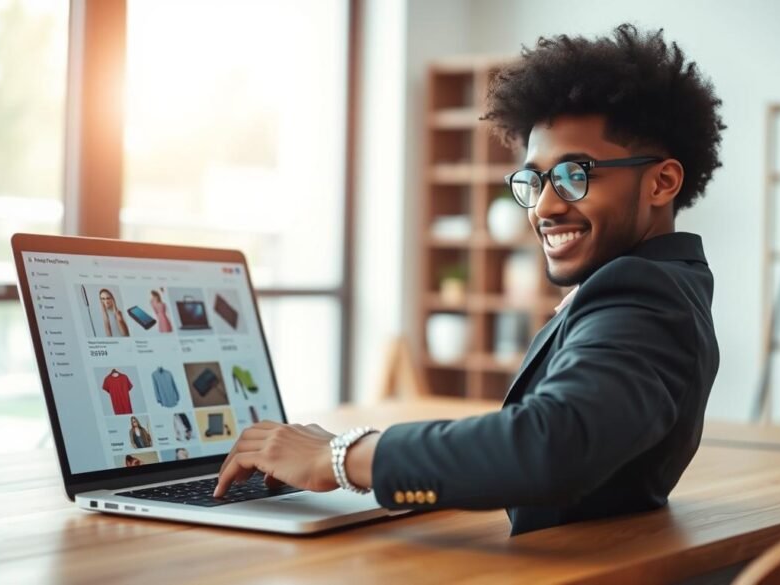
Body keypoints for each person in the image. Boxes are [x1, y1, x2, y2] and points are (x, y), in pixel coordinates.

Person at [214, 24, 724, 536]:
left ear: (662, 182)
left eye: (576, 174)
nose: (544, 206)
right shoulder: (665, 284)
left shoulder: (641, 293)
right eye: (535, 180)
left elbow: (550, 445)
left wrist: (340, 457)